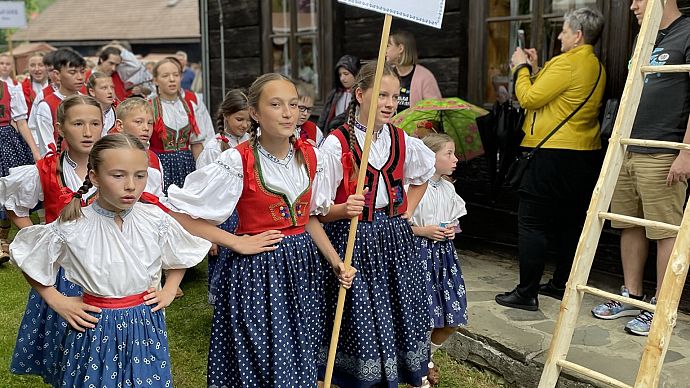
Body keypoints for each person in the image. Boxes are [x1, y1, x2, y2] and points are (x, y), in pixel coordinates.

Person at [164, 73, 355, 386]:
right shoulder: (238, 162)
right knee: (261, 356)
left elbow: (307, 218)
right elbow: (181, 213)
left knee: (299, 350)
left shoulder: (312, 157)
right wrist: (235, 243)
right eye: (276, 104)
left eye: (293, 105)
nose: (287, 113)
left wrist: (336, 262)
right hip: (258, 273)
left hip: (302, 270)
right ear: (254, 112)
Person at [9, 133, 211, 387]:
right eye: (118, 175)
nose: (131, 185)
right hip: (94, 326)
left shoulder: (153, 219)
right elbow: (28, 255)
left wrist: (170, 288)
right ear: (94, 177)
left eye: (140, 175)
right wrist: (55, 300)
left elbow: (181, 250)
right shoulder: (74, 225)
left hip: (144, 325)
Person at [317, 61, 436, 387]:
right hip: (354, 241)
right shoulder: (337, 143)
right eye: (382, 94)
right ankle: (363, 378)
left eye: (395, 96)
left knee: (399, 309)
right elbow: (317, 210)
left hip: (395, 240)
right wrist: (343, 208)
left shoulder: (400, 139)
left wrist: (405, 211)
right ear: (360, 94)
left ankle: (397, 373)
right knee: (363, 318)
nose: (389, 103)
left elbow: (424, 175)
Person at [495, 7, 606, 311]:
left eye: (564, 31)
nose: (559, 35)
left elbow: (529, 98)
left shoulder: (567, 64)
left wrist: (520, 68)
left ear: (578, 35)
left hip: (551, 153)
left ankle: (526, 292)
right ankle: (560, 283)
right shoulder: (594, 65)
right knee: (569, 222)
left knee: (532, 221)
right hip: (582, 153)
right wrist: (535, 67)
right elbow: (558, 95)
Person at [591, 0, 690, 336]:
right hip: (627, 149)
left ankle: (660, 308)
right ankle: (633, 296)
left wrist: (687, 152)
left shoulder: (688, 32)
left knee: (664, 231)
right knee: (627, 223)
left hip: (664, 149)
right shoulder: (645, 38)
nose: (632, 6)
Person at [2, 95, 102, 385]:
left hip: (106, 267)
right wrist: (37, 238)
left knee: (100, 346)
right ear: (60, 128)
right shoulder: (45, 171)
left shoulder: (114, 165)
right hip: (63, 275)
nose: (87, 131)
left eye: (94, 123)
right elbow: (15, 207)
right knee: (64, 345)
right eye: (78, 123)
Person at [410, 133, 468, 385]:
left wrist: (449, 230)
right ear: (430, 158)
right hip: (418, 255)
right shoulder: (410, 187)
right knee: (424, 316)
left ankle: (428, 358)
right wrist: (424, 230)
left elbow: (454, 223)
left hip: (444, 258)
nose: (455, 159)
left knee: (452, 316)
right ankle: (421, 371)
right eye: (449, 153)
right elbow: (398, 226)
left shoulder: (449, 188)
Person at [195, 88, 249, 304]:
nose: (244, 125)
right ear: (226, 115)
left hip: (246, 212)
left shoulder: (253, 142)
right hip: (223, 217)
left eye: (247, 120)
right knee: (224, 262)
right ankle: (223, 306)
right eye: (239, 119)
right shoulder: (213, 148)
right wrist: (210, 234)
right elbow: (204, 191)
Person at [148, 57, 213, 193]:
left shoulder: (191, 104)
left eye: (176, 75)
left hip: (187, 164)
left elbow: (196, 144)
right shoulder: (148, 106)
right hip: (160, 166)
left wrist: (201, 173)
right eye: (165, 76)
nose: (172, 79)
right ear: (155, 80)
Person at [0, 69, 41, 262]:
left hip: (6, 142)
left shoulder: (10, 89)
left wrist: (34, 151)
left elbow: (21, 122)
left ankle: (2, 241)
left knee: (9, 189)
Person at [31, 48, 87, 157]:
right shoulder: (46, 106)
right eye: (72, 72)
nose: (80, 77)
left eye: (82, 72)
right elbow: (47, 147)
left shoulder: (87, 102)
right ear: (57, 74)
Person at [115, 96, 164, 198]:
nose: (146, 128)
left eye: (150, 123)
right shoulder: (111, 156)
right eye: (138, 122)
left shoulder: (154, 158)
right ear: (120, 126)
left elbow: (158, 193)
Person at [385, 30, 442, 114]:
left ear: (400, 48)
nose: (384, 50)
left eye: (387, 46)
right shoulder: (387, 74)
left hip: (414, 126)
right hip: (389, 126)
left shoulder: (425, 76)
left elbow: (435, 110)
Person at [317, 54, 361, 134]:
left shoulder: (360, 95)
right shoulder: (335, 94)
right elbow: (324, 117)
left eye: (346, 74)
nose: (342, 78)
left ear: (356, 73)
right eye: (340, 74)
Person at [86, 71, 117, 136]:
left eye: (112, 87)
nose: (110, 91)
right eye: (104, 88)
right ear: (92, 92)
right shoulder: (82, 113)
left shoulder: (120, 112)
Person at [295, 80, 323, 145]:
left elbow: (323, 153)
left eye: (309, 109)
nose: (305, 113)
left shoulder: (313, 129)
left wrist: (315, 150)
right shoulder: (281, 129)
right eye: (301, 108)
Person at [21, 52, 49, 116]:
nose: (37, 69)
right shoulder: (21, 89)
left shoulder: (56, 87)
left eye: (41, 65)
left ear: (48, 67)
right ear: (28, 68)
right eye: (32, 65)